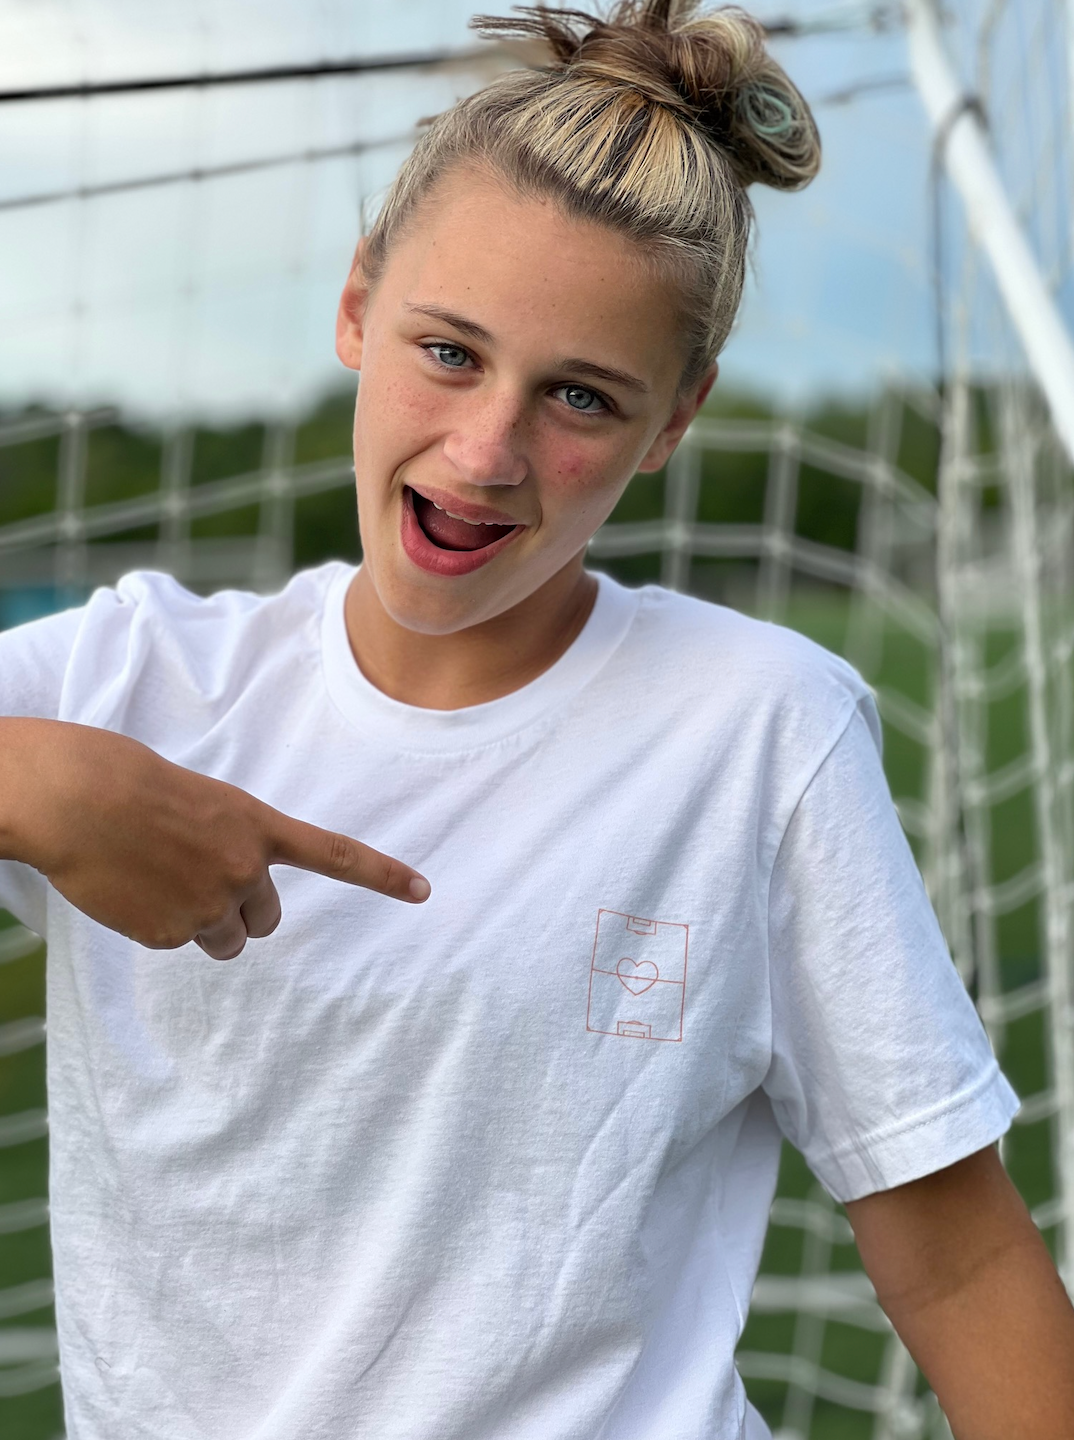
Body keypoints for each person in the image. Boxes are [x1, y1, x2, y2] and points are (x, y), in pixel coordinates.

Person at [0, 1, 1072, 1435]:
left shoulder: (760, 729)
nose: (487, 450)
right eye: (449, 351)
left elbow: (957, 1260)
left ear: (674, 420)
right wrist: (40, 786)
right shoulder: (125, 683)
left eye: (580, 395)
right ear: (357, 304)